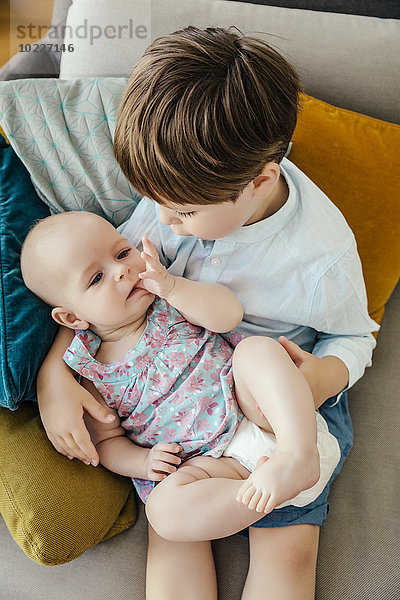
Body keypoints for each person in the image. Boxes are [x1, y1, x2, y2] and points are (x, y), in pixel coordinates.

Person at [35, 27, 379, 600]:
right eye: (155, 202)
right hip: (186, 437)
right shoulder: (178, 187)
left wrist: (323, 376)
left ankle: (293, 463)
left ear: (260, 181)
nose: (162, 223)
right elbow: (95, 305)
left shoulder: (320, 255)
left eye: (183, 212)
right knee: (170, 531)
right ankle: (239, 489)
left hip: (272, 399)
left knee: (286, 552)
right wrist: (53, 375)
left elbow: (355, 335)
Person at [21, 210, 339, 515]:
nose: (122, 271)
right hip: (207, 467)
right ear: (71, 317)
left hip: (257, 412)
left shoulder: (167, 297)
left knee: (256, 350)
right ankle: (258, 493)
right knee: (164, 512)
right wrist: (143, 462)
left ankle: (298, 454)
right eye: (97, 278)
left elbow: (229, 316)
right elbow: (106, 442)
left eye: (122, 254)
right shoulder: (91, 371)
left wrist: (174, 288)